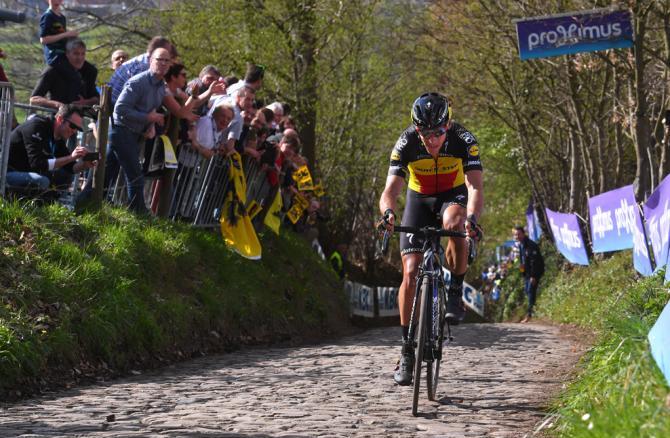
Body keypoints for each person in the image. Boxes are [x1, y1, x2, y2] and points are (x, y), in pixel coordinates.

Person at [378, 92, 483, 386]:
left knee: (455, 223)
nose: (431, 139)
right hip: (418, 200)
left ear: (447, 126)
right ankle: (406, 349)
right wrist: (388, 213)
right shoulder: (406, 142)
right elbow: (391, 191)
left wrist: (473, 219)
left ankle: (455, 289)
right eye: (425, 133)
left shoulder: (464, 140)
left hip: (452, 197)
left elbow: (474, 188)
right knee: (410, 272)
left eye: (437, 132)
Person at [107, 47, 172, 213]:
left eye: (167, 60)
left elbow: (153, 110)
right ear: (151, 61)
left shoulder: (161, 87)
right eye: (159, 59)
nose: (163, 63)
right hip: (121, 130)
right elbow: (120, 110)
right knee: (136, 177)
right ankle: (139, 215)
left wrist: (150, 125)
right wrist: (148, 118)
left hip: (134, 133)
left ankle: (86, 203)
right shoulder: (138, 82)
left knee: (106, 173)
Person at [6, 104, 95, 192]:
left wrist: (84, 165)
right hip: (8, 173)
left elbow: (71, 167)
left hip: (28, 172)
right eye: (72, 126)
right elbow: (37, 164)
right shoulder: (36, 126)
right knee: (42, 181)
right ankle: (26, 203)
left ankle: (53, 202)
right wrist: (71, 157)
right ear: (60, 119)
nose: (74, 131)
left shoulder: (58, 136)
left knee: (67, 175)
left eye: (78, 129)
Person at [30, 38, 99, 110]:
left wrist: (84, 102)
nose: (79, 58)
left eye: (83, 54)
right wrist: (58, 105)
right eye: (76, 53)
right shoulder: (53, 69)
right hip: (56, 115)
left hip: (82, 116)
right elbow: (34, 99)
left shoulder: (89, 71)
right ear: (67, 54)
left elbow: (96, 98)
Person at [512, 225, 544, 323]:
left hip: (534, 273)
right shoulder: (521, 244)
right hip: (527, 274)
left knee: (530, 292)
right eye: (515, 235)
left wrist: (533, 276)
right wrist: (523, 272)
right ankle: (534, 310)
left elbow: (534, 262)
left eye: (519, 234)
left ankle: (530, 315)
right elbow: (523, 261)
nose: (517, 236)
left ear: (523, 234)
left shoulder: (530, 245)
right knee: (527, 291)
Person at [39, 0, 78, 65]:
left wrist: (71, 35)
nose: (56, 1)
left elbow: (60, 35)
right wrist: (65, 34)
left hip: (64, 55)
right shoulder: (47, 16)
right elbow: (43, 40)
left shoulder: (62, 18)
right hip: (54, 57)